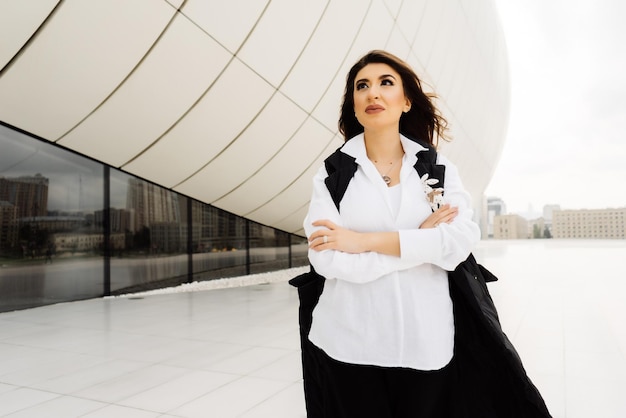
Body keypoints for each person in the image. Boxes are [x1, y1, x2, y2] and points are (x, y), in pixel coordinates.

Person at [302, 50, 480, 417]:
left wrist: (362, 241)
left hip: (425, 342)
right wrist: (419, 242)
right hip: (349, 344)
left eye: (386, 83)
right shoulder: (332, 174)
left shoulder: (438, 168)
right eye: (361, 86)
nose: (373, 93)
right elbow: (326, 258)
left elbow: (458, 243)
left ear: (406, 100)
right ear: (353, 105)